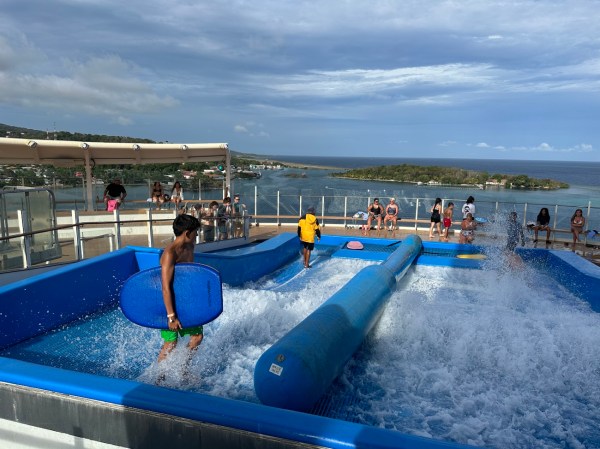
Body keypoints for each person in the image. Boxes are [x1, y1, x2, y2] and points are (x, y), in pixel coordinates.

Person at [157, 214, 203, 375]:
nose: (197, 235)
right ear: (187, 233)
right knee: (171, 342)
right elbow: (165, 287)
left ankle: (183, 370)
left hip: (186, 300)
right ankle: (159, 379)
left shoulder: (190, 247)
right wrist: (171, 316)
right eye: (196, 232)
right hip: (169, 303)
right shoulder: (170, 253)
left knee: (197, 337)